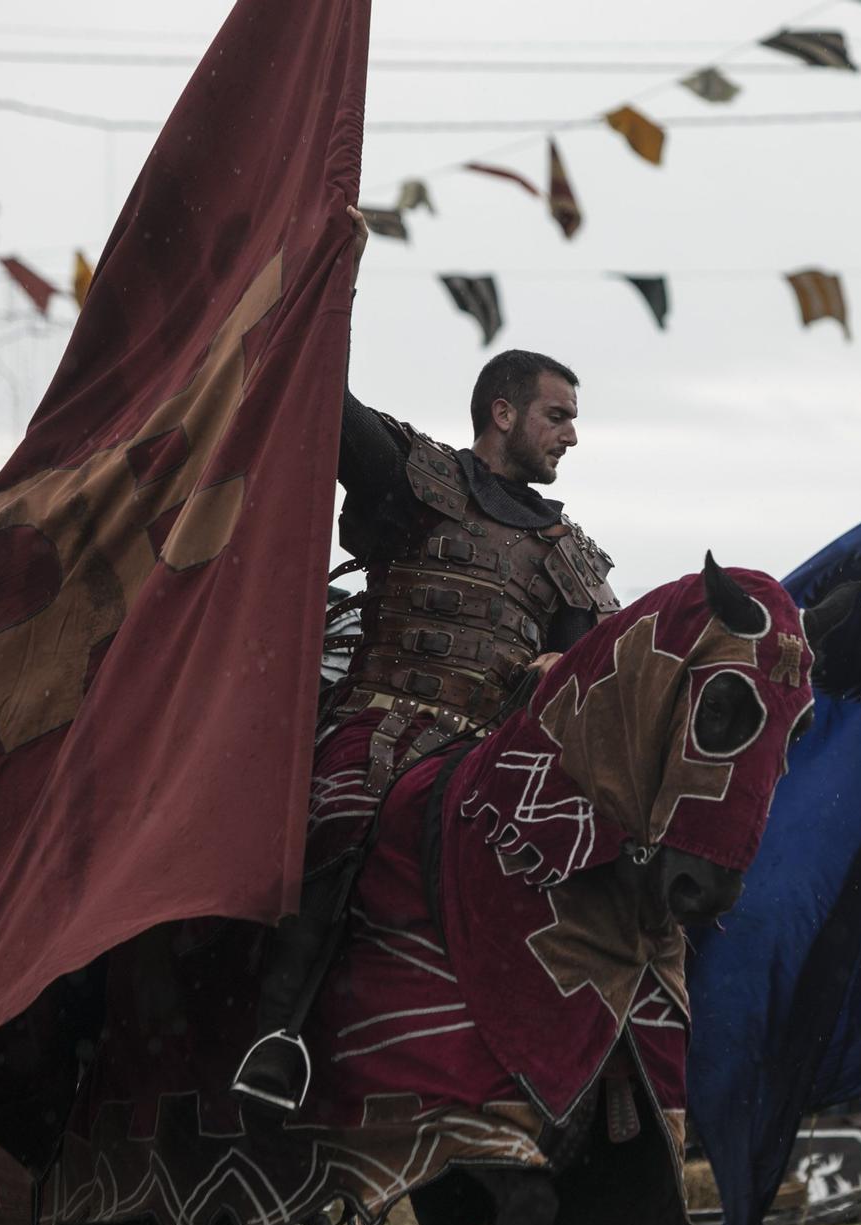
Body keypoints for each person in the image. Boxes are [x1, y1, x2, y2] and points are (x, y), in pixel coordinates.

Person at [233, 208, 619, 1111]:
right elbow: (323, 398)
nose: (571, 434)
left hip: (489, 756)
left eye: (573, 420)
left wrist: (558, 674)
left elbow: (582, 661)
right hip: (377, 728)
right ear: (503, 411)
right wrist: (333, 279)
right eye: (558, 416)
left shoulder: (572, 553)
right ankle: (275, 1035)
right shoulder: (420, 478)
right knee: (330, 828)